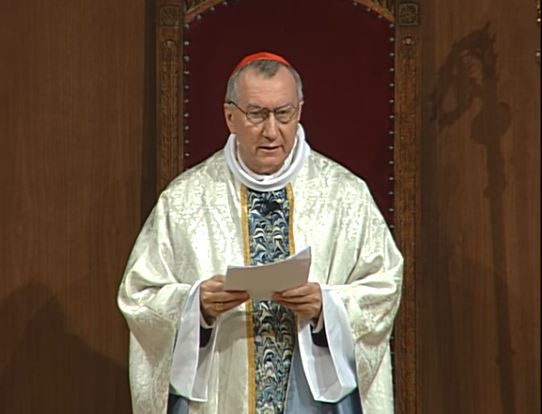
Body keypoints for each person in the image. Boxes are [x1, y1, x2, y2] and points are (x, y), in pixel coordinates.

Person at [118, 51, 403, 414]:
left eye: (283, 114)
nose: (271, 131)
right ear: (230, 116)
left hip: (314, 400)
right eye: (256, 114)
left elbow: (384, 287)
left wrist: (326, 307)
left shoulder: (345, 195)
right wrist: (196, 305)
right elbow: (139, 296)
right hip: (222, 396)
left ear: (299, 112)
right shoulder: (185, 199)